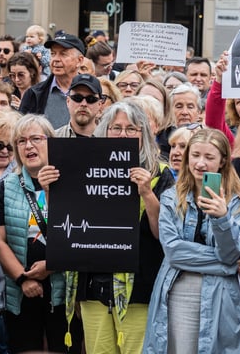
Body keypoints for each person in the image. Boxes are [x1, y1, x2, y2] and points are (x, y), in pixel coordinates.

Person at [67, 101, 175, 354]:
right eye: (116, 128)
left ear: (144, 134)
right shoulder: (84, 170)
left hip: (139, 289)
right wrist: (53, 192)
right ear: (104, 131)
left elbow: (164, 234)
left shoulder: (161, 174)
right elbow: (67, 226)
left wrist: (147, 193)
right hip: (93, 285)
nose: (123, 135)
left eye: (131, 129)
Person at [143, 129, 240, 353]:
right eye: (195, 155)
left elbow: (232, 253)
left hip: (223, 296)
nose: (200, 163)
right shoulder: (170, 197)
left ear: (223, 161)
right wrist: (227, 265)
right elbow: (174, 252)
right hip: (179, 291)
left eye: (209, 157)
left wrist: (222, 219)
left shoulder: (236, 200)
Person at [0, 114, 83, 353]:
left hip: (63, 285)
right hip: (21, 287)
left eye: (35, 139)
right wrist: (23, 278)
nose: (28, 145)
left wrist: (51, 265)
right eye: (20, 141)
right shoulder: (7, 185)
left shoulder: (72, 180)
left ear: (51, 142)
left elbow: (78, 234)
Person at [20, 33, 86, 129]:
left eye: (63, 54)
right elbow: (21, 131)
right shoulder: (34, 94)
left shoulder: (93, 93)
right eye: (53, 54)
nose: (56, 59)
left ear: (79, 61)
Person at [56, 73, 105, 137]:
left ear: (100, 104)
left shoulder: (109, 138)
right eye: (77, 98)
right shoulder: (53, 138)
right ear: (68, 101)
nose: (83, 104)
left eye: (91, 99)